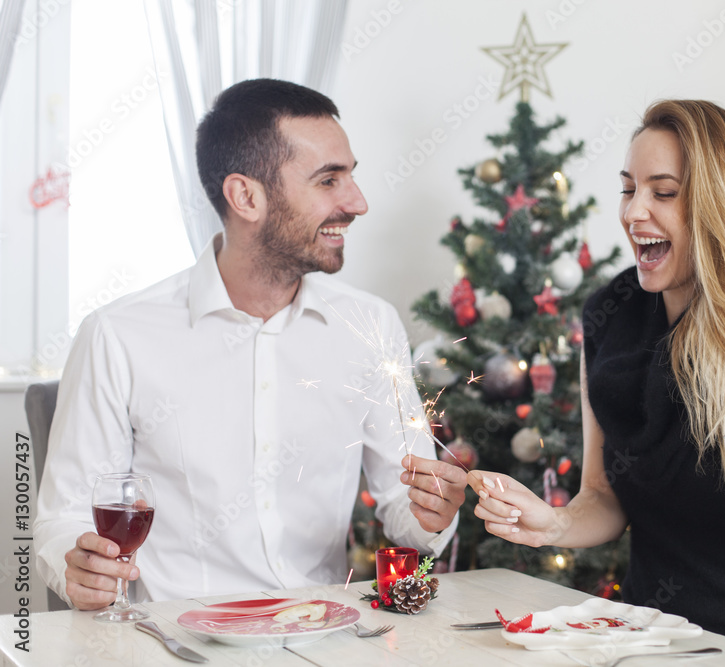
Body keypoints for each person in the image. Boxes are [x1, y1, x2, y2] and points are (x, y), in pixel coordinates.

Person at [34, 78, 466, 609]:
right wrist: (77, 566)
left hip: (325, 632)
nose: (357, 202)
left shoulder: (371, 325)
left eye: (351, 176)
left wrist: (431, 513)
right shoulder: (118, 335)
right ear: (245, 196)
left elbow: (407, 503)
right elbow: (64, 517)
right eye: (329, 180)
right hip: (173, 638)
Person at [468, 100, 725, 666]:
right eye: (628, 189)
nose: (633, 212)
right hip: (648, 640)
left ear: (721, 207)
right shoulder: (609, 316)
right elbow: (604, 496)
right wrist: (554, 523)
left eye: (663, 193)